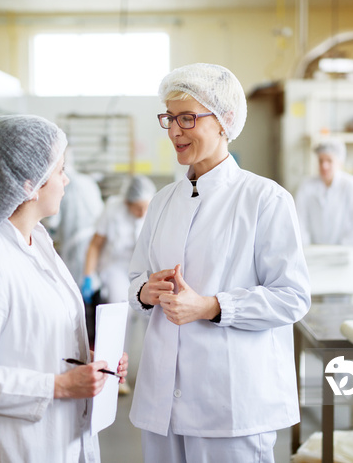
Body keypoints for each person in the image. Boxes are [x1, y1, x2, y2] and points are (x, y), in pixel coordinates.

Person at [127, 63, 311, 463]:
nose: (175, 131)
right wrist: (145, 291)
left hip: (230, 404)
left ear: (225, 121)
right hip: (162, 401)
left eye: (188, 117)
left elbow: (292, 297)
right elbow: (135, 278)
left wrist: (211, 306)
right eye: (170, 118)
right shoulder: (162, 201)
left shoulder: (265, 199)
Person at [0, 114, 128, 462]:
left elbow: (36, 342)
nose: (67, 180)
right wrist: (59, 385)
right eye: (60, 170)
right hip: (10, 447)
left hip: (56, 438)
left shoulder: (36, 241)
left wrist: (91, 364)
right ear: (30, 184)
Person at [295, 138, 353, 279]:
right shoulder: (307, 186)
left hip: (348, 255)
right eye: (321, 161)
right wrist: (307, 248)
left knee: (347, 295)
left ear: (340, 162)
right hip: (316, 257)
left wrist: (340, 248)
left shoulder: (352, 186)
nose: (324, 166)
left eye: (329, 161)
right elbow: (299, 221)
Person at [82, 175, 156, 304]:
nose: (143, 212)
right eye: (138, 208)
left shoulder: (155, 211)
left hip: (144, 269)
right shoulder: (112, 209)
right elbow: (95, 245)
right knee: (120, 304)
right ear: (127, 203)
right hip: (116, 267)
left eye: (146, 207)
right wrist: (88, 276)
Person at [44, 149, 105, 286]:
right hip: (94, 240)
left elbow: (52, 220)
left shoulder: (59, 184)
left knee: (74, 284)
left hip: (74, 245)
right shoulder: (88, 181)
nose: (64, 180)